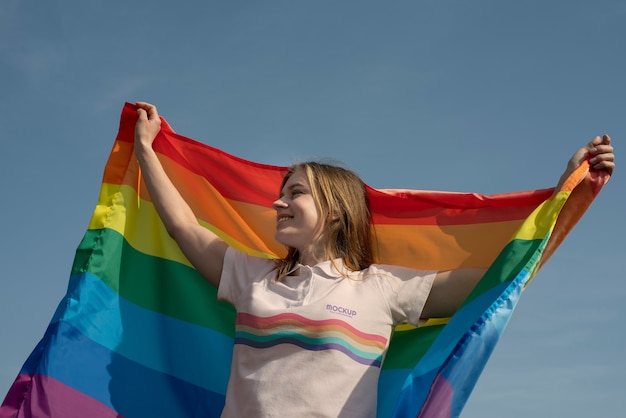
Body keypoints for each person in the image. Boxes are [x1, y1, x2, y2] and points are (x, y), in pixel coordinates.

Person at [134, 101, 615, 417]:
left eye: (295, 193)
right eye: (281, 194)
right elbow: (184, 227)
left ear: (337, 211)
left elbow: (502, 281)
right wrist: (146, 150)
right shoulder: (251, 277)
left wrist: (565, 196)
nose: (278, 204)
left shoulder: (382, 289)